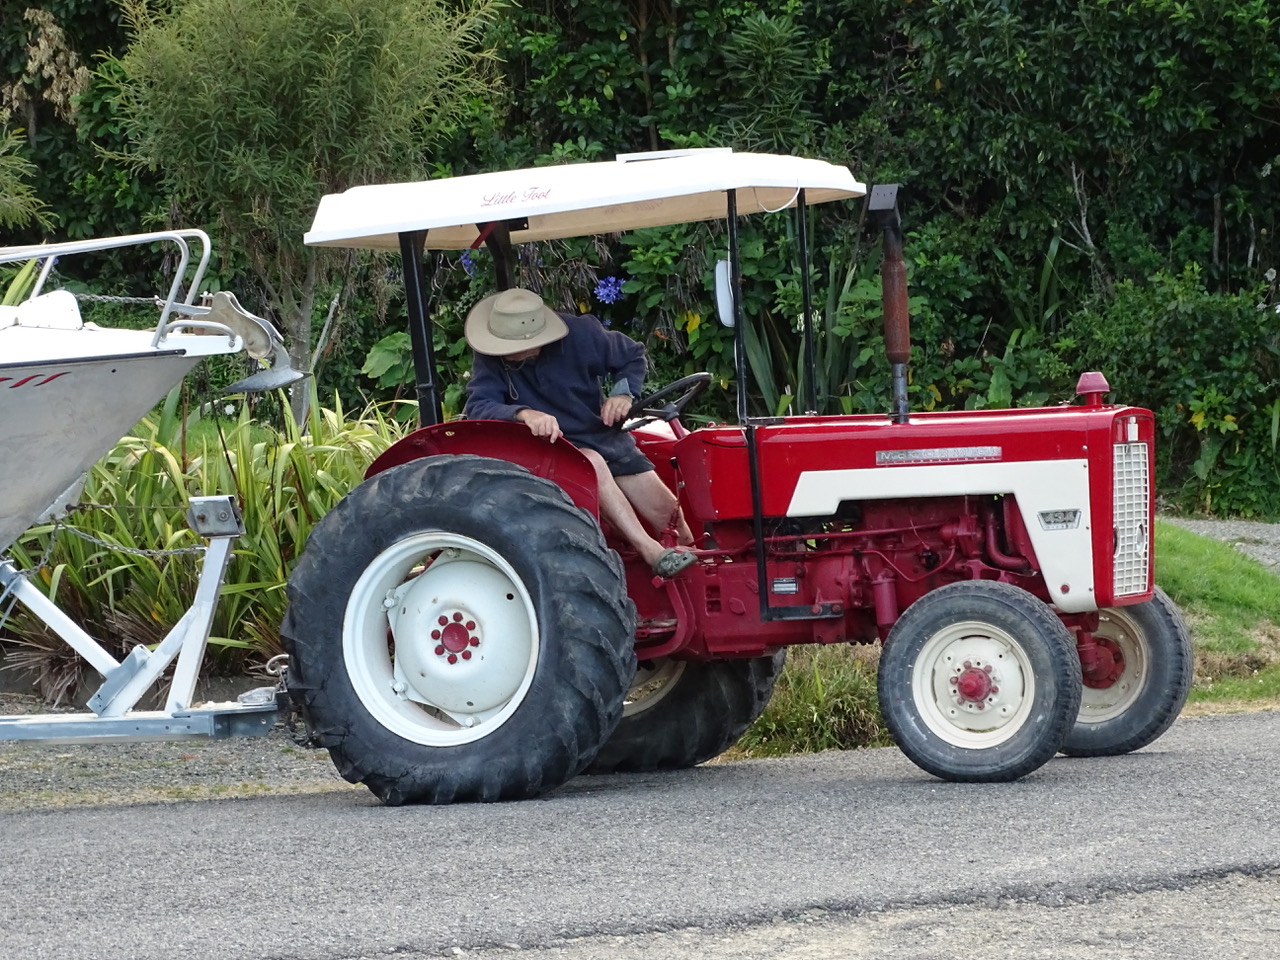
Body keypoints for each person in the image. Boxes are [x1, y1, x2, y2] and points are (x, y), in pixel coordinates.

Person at [463, 287, 696, 577]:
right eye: (502, 347)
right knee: (592, 463)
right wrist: (523, 413)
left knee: (666, 512)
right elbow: (479, 406)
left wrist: (623, 394)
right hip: (547, 449)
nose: (506, 354)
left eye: (513, 348)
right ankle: (649, 550)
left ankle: (695, 565)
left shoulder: (582, 334)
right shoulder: (492, 357)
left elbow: (632, 356)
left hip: (601, 436)